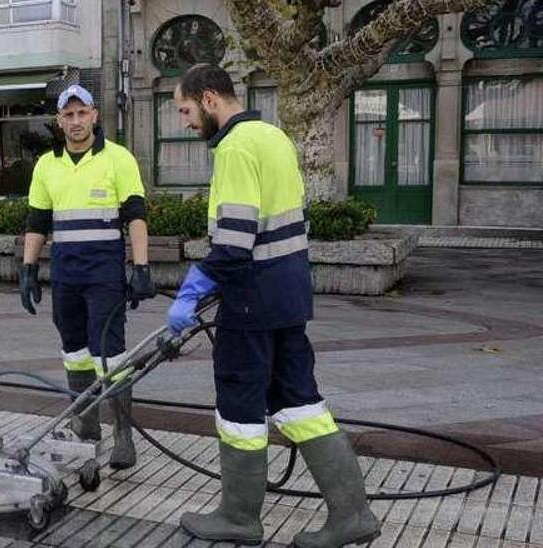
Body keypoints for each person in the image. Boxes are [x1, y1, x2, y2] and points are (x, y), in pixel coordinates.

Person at [168, 63, 379, 547]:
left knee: (239, 407)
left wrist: (192, 290)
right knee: (300, 403)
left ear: (209, 99)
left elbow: (236, 239)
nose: (184, 121)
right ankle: (353, 514)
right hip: (288, 296)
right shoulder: (274, 136)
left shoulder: (237, 147)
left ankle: (239, 517)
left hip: (250, 303)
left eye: (184, 110)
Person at [19, 85, 156, 470]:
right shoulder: (47, 165)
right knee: (75, 354)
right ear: (59, 120)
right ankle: (88, 428)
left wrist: (141, 267)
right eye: (69, 115)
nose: (76, 122)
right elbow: (37, 221)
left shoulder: (118, 159)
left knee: (111, 356)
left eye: (82, 114)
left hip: (104, 275)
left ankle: (124, 436)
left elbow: (136, 214)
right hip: (66, 274)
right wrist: (29, 268)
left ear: (95, 116)